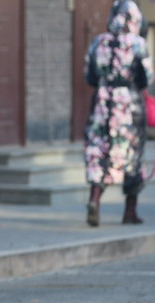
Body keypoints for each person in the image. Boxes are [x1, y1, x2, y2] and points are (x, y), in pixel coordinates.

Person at [84, 0, 153, 227]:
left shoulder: (98, 42)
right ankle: (129, 212)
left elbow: (90, 76)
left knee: (99, 150)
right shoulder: (138, 44)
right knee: (132, 155)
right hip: (130, 104)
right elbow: (146, 79)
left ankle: (95, 198)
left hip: (102, 102)